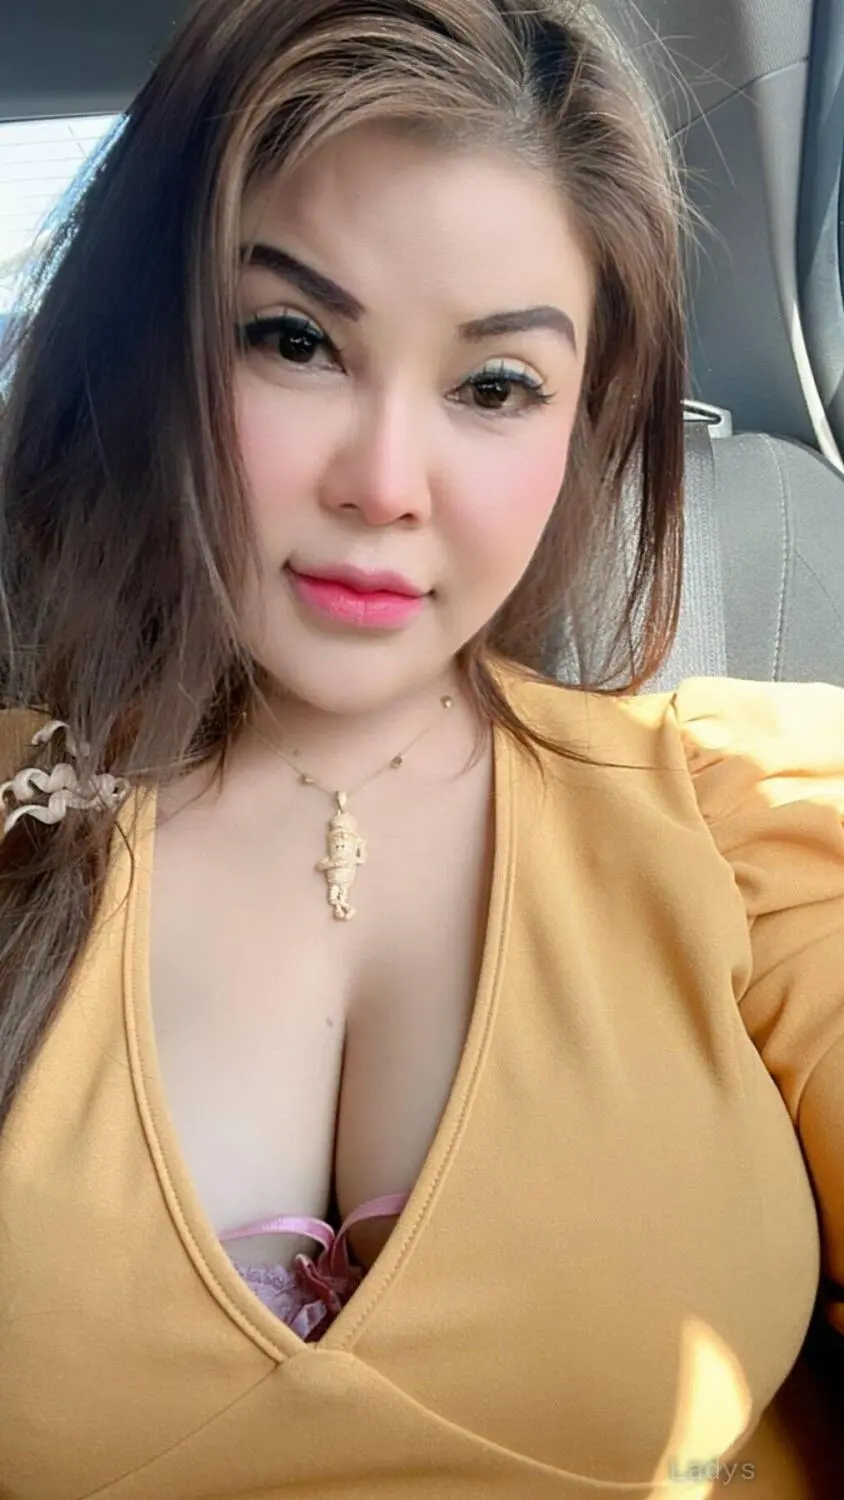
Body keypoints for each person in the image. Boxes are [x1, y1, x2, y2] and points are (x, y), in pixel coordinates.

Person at [0, 0, 842, 1494]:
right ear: (151, 351)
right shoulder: (19, 817)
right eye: (296, 341)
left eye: (495, 386)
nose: (385, 483)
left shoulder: (750, 824)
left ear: (585, 420)